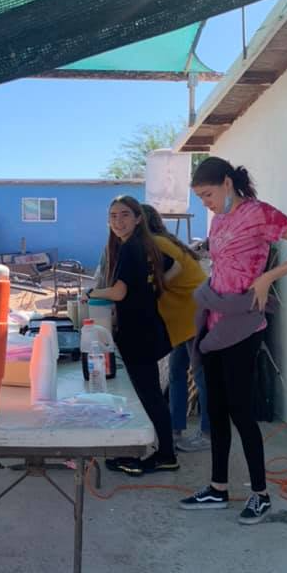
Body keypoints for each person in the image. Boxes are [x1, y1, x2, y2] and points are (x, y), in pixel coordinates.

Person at [180, 156, 287, 523]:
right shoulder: (218, 220)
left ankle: (260, 494)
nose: (206, 203)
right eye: (200, 197)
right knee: (215, 410)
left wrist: (268, 277)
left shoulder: (261, 214)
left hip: (243, 325)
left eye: (208, 194)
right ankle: (218, 488)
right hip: (215, 322)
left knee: (240, 411)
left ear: (227, 183)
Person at [88, 196, 178, 476]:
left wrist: (91, 293)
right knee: (150, 393)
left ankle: (165, 455)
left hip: (138, 332)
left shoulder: (131, 248)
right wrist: (156, 290)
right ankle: (160, 450)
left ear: (138, 218)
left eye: (125, 215)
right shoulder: (146, 245)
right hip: (148, 327)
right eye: (113, 216)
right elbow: (175, 266)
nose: (118, 221)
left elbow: (118, 292)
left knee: (148, 395)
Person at [140, 204, 211, 453]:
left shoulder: (155, 243)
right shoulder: (163, 240)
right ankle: (175, 430)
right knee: (176, 373)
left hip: (195, 314)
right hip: (184, 316)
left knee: (201, 376)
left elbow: (175, 269)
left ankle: (207, 434)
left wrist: (154, 289)